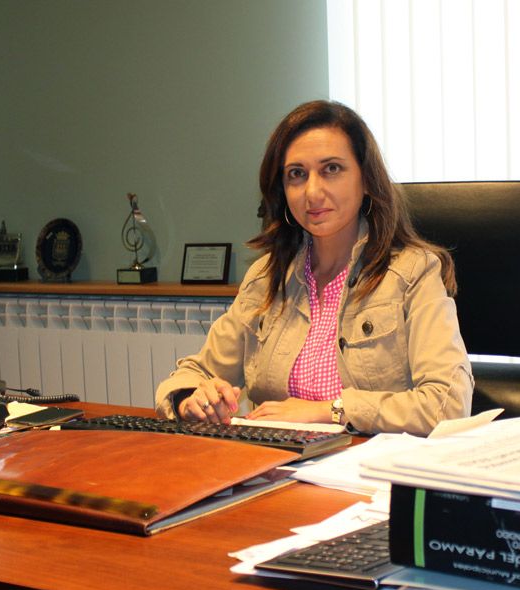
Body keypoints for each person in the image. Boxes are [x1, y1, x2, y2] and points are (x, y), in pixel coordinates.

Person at [154, 100, 472, 435]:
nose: (312, 191)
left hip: (367, 469)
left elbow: (447, 404)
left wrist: (328, 411)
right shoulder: (266, 278)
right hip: (277, 463)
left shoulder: (413, 273)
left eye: (331, 169)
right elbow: (196, 371)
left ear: (365, 180)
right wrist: (191, 397)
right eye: (297, 174)